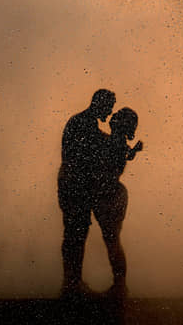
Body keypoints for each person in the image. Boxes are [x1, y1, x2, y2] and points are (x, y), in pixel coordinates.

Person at [58, 88, 116, 297]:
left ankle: (72, 282)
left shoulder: (83, 122)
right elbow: (95, 147)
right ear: (99, 103)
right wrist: (117, 141)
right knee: (75, 234)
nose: (110, 112)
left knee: (76, 233)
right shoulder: (83, 124)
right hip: (74, 185)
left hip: (75, 185)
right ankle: (71, 284)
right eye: (109, 107)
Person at [93, 107, 143, 296]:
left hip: (110, 194)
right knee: (112, 240)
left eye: (117, 117)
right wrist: (135, 150)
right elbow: (127, 156)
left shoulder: (115, 141)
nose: (113, 118)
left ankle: (120, 285)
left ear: (121, 124)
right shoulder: (118, 141)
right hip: (109, 192)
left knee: (112, 240)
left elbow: (114, 159)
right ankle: (119, 283)